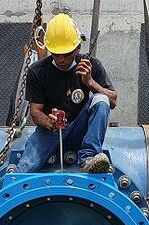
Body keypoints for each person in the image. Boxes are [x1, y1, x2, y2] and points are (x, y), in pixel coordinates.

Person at [15, 13, 118, 174]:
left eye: (67, 53)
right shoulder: (38, 71)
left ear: (78, 47)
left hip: (79, 128)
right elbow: (35, 111)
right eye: (56, 54)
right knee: (22, 171)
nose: (61, 59)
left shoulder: (91, 66)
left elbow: (112, 101)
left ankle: (89, 157)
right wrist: (48, 121)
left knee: (101, 99)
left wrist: (90, 82)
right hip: (51, 131)